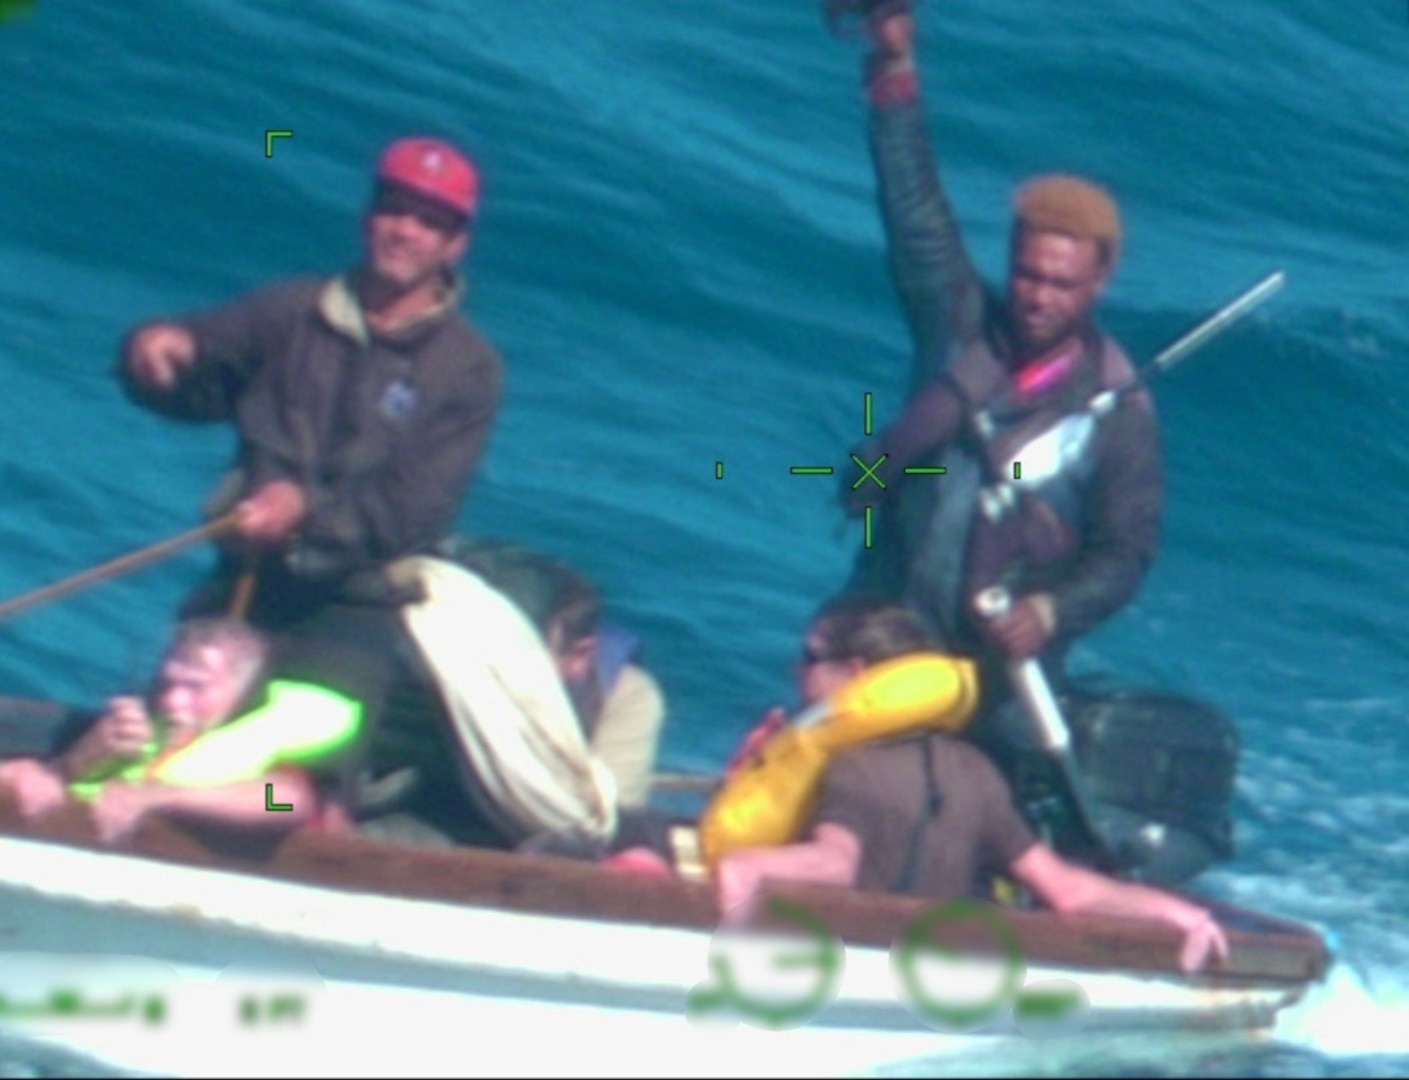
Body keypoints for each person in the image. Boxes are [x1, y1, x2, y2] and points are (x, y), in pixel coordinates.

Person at [830, 4, 1163, 740]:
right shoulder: (954, 320)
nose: (1038, 296)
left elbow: (1124, 554)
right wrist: (892, 65)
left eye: (1060, 283)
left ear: (1098, 282)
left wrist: (1049, 613)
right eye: (1027, 274)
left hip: (996, 674)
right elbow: (911, 207)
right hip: (882, 624)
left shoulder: (1118, 411)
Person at [116, 135, 504, 732]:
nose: (405, 229)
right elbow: (207, 369)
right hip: (243, 585)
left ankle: (269, 812)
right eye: (394, 208)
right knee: (157, 739)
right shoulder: (293, 308)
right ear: (368, 217)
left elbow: (410, 512)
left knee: (288, 790)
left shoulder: (468, 370)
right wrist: (156, 355)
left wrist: (304, 510)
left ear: (456, 245)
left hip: (350, 614)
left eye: (429, 221)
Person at [702, 599, 1228, 974]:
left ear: (856, 672)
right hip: (935, 972)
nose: (798, 670)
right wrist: (1173, 911)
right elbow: (1066, 889)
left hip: (848, 957)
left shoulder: (848, 765)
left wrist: (746, 865)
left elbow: (837, 863)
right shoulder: (973, 770)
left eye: (811, 657)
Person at [0, 618, 362, 844]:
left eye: (196, 687)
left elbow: (287, 802)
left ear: (239, 691)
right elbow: (61, 781)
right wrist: (66, 767)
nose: (174, 701)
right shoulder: (139, 727)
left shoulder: (273, 746)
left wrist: (159, 797)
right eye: (168, 684)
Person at [434, 537, 666, 810]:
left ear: (578, 655)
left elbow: (607, 816)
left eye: (517, 653)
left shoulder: (623, 697)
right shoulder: (435, 657)